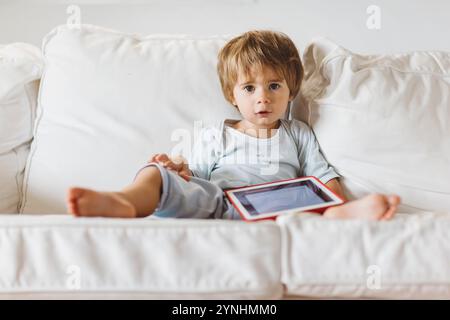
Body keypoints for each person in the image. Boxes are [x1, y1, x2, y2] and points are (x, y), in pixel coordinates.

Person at [66, 30, 400, 220]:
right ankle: (126, 201)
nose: (263, 98)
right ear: (232, 95)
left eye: (274, 86)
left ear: (291, 90)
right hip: (218, 201)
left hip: (279, 205)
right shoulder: (216, 133)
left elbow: (323, 178)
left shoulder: (297, 132)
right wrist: (176, 170)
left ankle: (345, 219)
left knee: (313, 209)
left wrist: (336, 205)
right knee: (156, 172)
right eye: (249, 88)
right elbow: (195, 176)